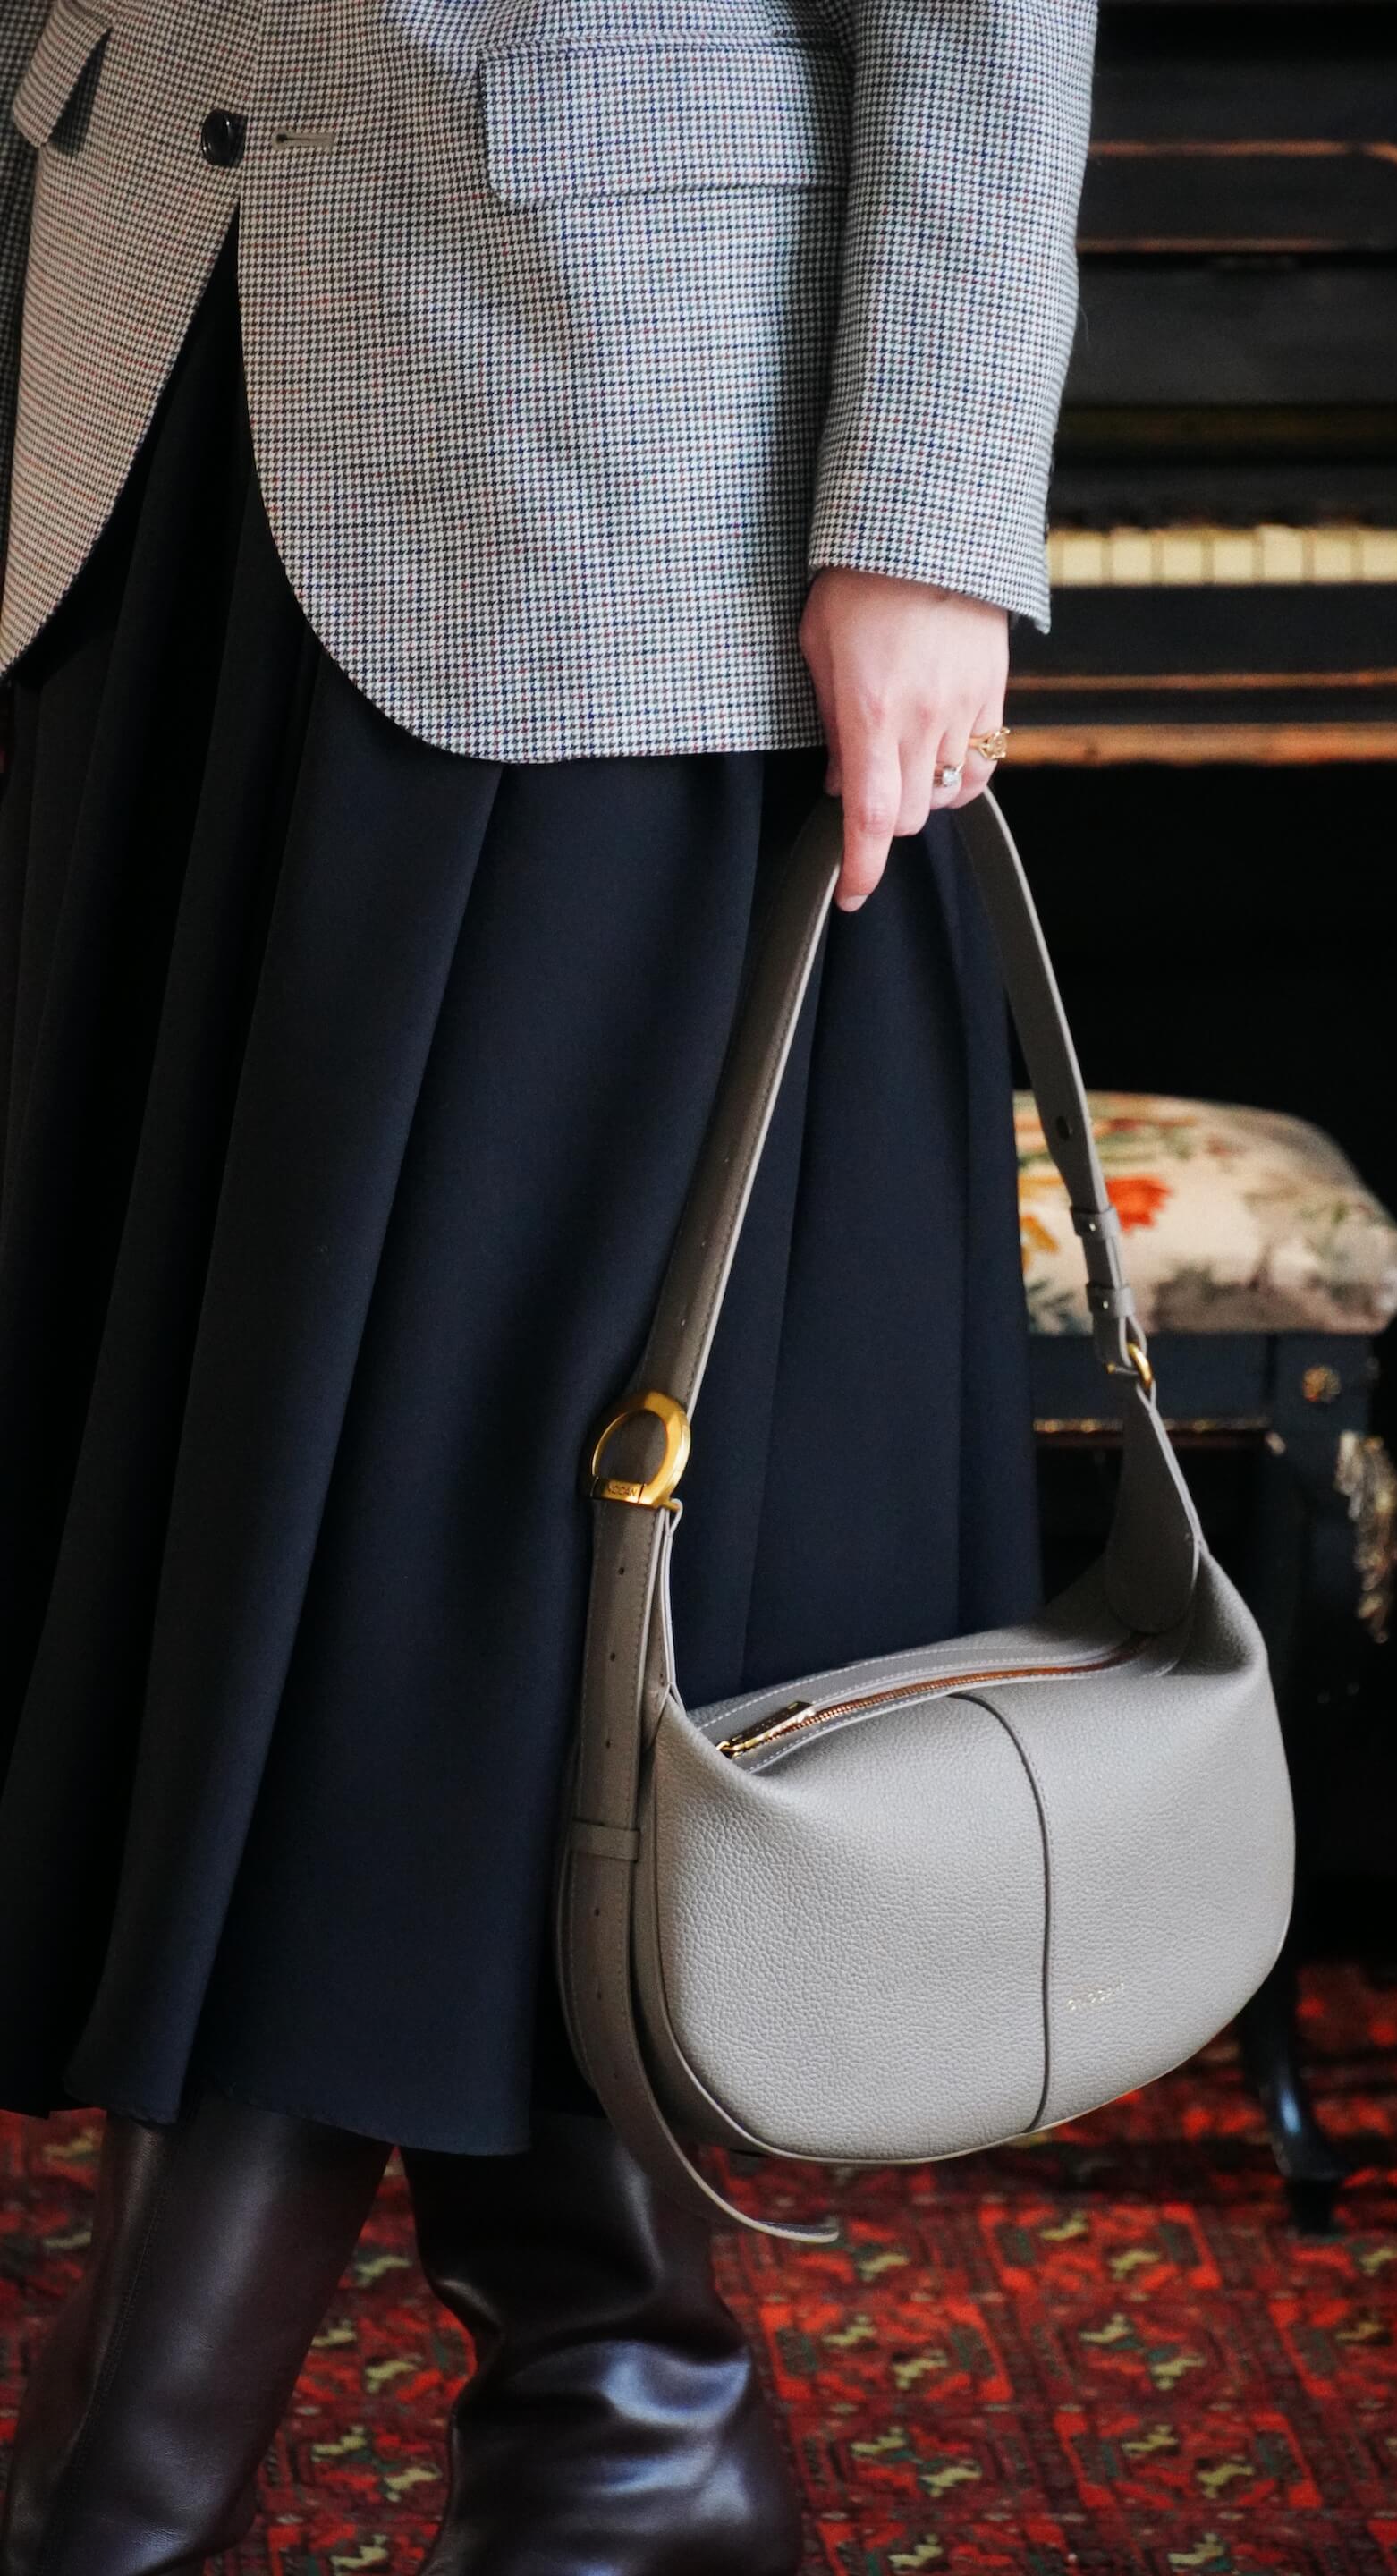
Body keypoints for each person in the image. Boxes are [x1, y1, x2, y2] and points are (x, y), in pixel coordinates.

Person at [0, 3, 1096, 2567]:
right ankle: (623, 2418)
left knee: (435, 1507)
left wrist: (935, 522)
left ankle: (117, 2497)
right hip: (150, 407)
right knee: (315, 1490)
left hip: (617, 475)